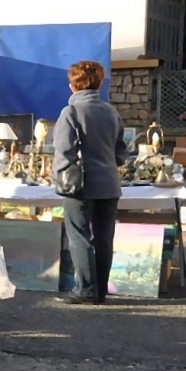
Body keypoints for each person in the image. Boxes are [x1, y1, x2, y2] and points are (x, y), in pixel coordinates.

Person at [53, 60, 128, 304]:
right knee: (104, 239)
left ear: (72, 85)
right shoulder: (111, 112)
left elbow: (64, 152)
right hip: (109, 183)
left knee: (79, 237)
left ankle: (85, 290)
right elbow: (121, 151)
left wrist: (60, 175)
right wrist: (109, 164)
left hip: (81, 184)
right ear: (98, 83)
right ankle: (101, 290)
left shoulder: (71, 112)